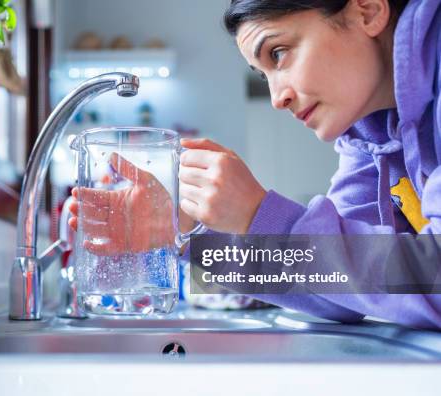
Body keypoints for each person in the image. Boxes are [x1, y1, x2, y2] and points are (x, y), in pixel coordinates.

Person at [69, 0, 441, 329]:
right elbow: (338, 286)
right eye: (263, 74)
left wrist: (258, 214)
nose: (277, 98)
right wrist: (188, 233)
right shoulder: (369, 133)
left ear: (368, 10)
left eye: (278, 53)